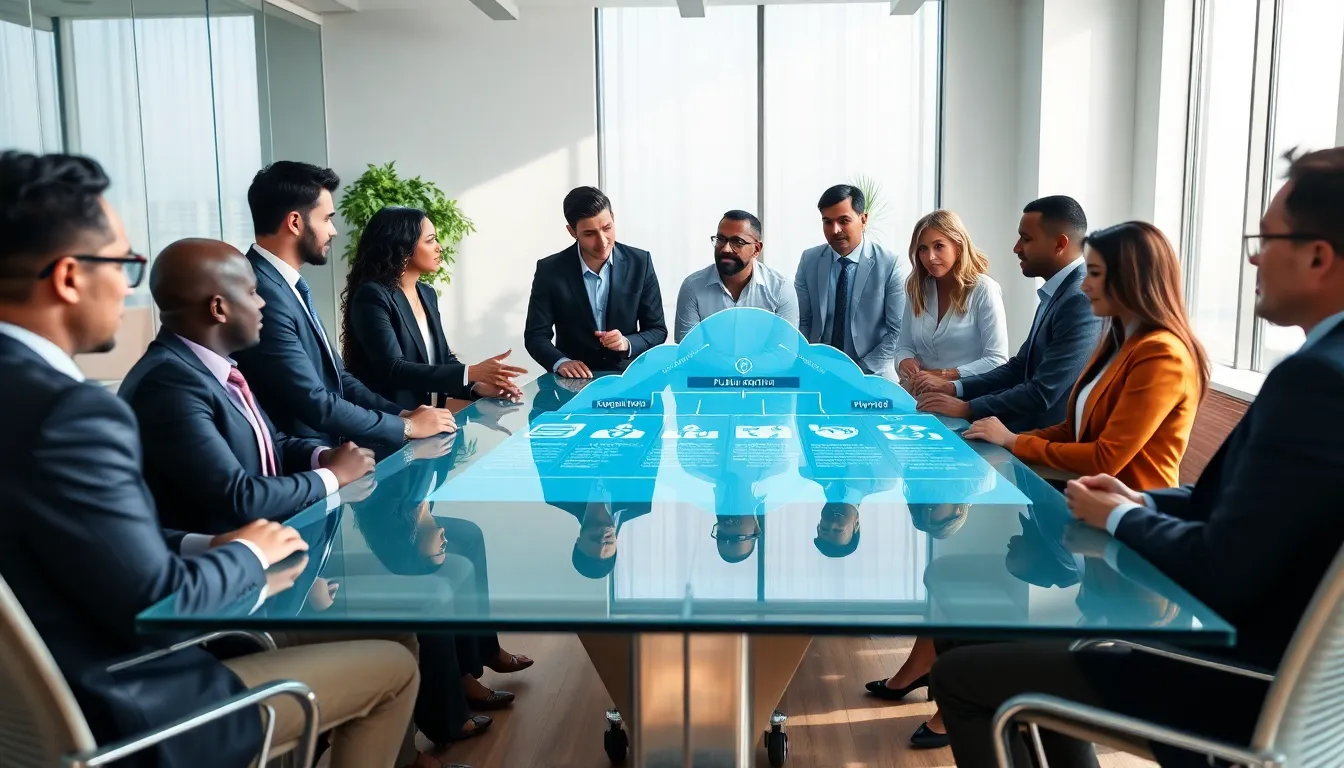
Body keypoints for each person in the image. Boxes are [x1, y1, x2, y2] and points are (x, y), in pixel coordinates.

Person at [0, 150, 421, 768]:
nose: (128, 288)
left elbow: (87, 547)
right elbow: (159, 601)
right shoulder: (71, 413)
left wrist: (211, 544)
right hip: (144, 706)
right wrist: (249, 554)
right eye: (123, 265)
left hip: (52, 708)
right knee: (394, 668)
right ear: (68, 278)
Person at [933, 147, 1344, 768]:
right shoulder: (1320, 370)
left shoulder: (1315, 381)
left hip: (1233, 675)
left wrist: (1123, 516)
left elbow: (1222, 565)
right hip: (1262, 666)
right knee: (988, 642)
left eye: (1266, 239)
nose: (1254, 257)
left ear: (1318, 256)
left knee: (962, 677)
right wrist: (1140, 502)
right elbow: (1233, 511)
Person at [118, 238, 377, 533]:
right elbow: (240, 496)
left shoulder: (212, 368)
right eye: (252, 293)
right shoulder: (168, 384)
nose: (262, 303)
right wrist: (333, 476)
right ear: (219, 308)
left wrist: (321, 456)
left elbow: (270, 442)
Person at [964, 221, 1209, 492]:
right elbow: (1074, 430)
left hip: (1130, 509)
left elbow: (1106, 458)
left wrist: (1014, 441)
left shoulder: (1163, 353)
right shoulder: (1116, 343)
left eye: (1094, 273)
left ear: (1131, 277)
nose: (1084, 285)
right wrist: (1006, 439)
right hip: (1089, 501)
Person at [233, 161, 457, 451]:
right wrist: (406, 427)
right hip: (299, 459)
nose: (334, 231)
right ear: (295, 223)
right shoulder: (261, 291)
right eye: (327, 219)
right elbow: (313, 400)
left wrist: (404, 415)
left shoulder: (285, 284)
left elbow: (339, 379)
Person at [914, 196, 1103, 431]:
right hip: (1023, 432)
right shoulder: (1058, 292)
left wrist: (967, 408)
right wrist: (954, 388)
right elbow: (1019, 368)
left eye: (1026, 239)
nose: (1016, 248)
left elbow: (1042, 392)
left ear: (1059, 244)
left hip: (1048, 441)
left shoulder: (1080, 299)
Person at [342, 206, 526, 409]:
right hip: (392, 419)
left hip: (431, 418)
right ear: (403, 247)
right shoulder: (372, 295)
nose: (439, 247)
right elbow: (393, 369)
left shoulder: (427, 293)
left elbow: (443, 359)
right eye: (430, 240)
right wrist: (471, 372)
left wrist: (476, 386)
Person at [524, 186, 667, 378]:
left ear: (613, 218)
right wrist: (561, 362)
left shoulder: (640, 263)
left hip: (627, 377)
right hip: (572, 381)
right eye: (589, 234)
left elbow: (657, 330)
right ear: (572, 231)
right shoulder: (550, 270)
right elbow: (535, 336)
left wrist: (626, 342)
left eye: (607, 228)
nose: (602, 242)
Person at [795, 184, 910, 378]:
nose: (835, 230)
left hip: (872, 373)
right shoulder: (810, 260)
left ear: (863, 219)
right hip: (818, 370)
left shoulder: (890, 264)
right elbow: (803, 321)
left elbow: (897, 332)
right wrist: (809, 363)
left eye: (844, 221)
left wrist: (856, 373)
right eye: (827, 222)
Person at [894, 209, 1010, 388]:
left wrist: (944, 375)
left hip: (969, 395)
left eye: (938, 246)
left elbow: (997, 360)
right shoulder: (917, 289)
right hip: (920, 392)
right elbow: (904, 346)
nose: (930, 257)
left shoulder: (984, 289)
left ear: (959, 245)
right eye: (923, 249)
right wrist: (905, 361)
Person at [673, 210, 798, 342]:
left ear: (757, 249)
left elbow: (785, 348)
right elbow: (690, 348)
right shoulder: (693, 287)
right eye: (720, 240)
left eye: (737, 242)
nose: (725, 249)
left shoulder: (780, 289)